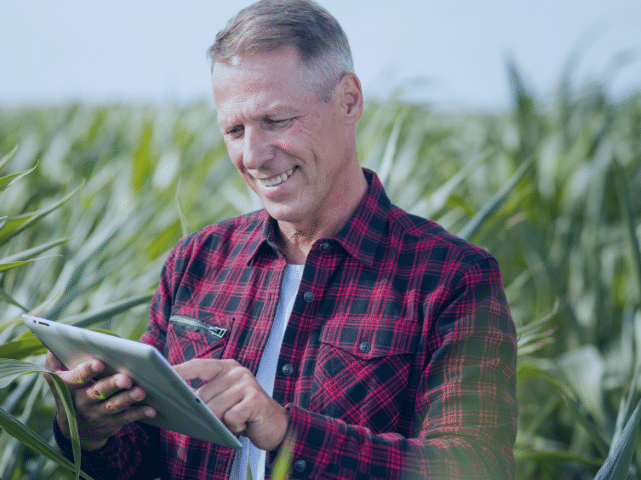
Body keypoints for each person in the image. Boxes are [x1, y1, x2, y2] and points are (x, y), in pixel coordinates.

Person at [45, 0, 518, 478]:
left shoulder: (452, 279)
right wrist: (89, 430)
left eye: (276, 121)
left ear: (349, 100)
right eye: (234, 129)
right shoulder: (196, 262)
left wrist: (285, 431)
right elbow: (140, 463)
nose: (253, 156)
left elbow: (475, 465)